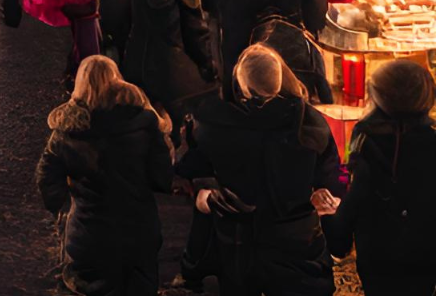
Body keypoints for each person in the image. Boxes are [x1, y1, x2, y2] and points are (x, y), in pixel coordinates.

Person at [176, 45, 343, 296]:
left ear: (244, 88)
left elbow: (188, 167)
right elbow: (331, 178)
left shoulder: (217, 126)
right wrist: (325, 194)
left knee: (206, 202)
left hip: (240, 235)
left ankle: (191, 273)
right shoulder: (310, 122)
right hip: (297, 236)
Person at [35, 56, 172, 296]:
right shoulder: (144, 123)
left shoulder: (67, 132)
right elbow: (161, 177)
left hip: (89, 235)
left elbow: (47, 177)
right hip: (139, 231)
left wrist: (64, 205)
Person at [328, 60, 436, 295]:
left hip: (377, 255)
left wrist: (337, 232)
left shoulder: (366, 139)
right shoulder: (431, 140)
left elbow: (357, 191)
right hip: (424, 254)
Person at [116, 0, 216, 129]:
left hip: (135, 63)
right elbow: (195, 33)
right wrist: (209, 67)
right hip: (171, 69)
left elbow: (121, 20)